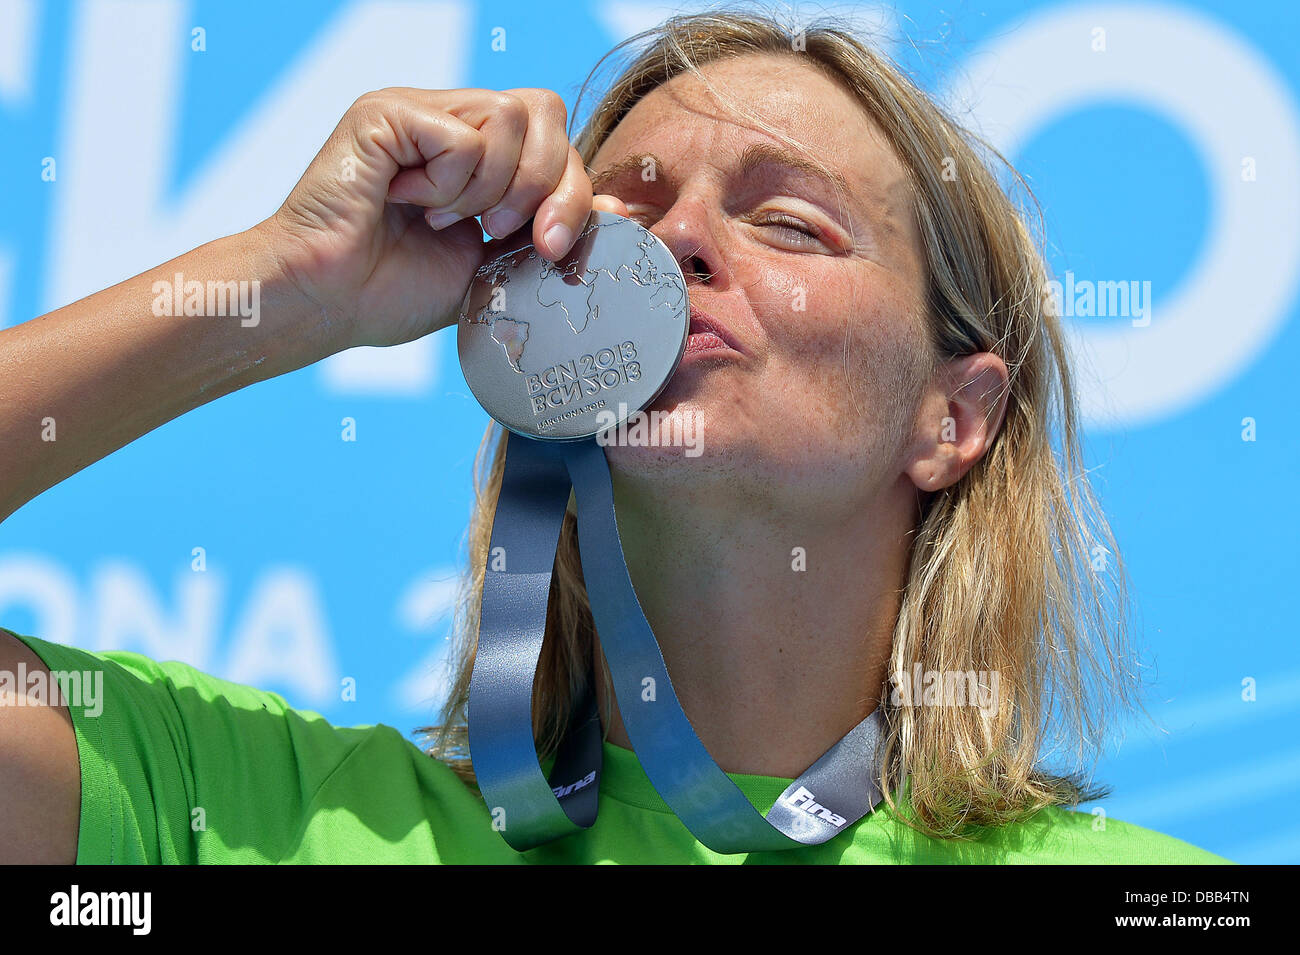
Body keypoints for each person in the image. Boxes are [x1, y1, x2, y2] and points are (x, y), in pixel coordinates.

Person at [0, 11, 1227, 864]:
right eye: (623, 212)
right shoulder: (276, 822)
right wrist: (287, 287)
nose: (674, 240)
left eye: (791, 224)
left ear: (951, 418)